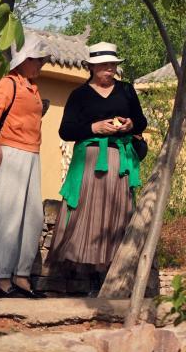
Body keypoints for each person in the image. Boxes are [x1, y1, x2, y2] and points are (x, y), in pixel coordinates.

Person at [47, 42, 147, 295]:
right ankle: (90, 274)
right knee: (88, 212)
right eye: (104, 65)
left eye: (113, 65)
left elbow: (141, 122)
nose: (110, 70)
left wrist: (129, 124)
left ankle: (113, 272)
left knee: (118, 212)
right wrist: (94, 128)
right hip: (90, 162)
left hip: (119, 160)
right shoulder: (79, 95)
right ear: (91, 67)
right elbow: (66, 130)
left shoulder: (126, 90)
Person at [0, 30, 50, 299]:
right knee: (10, 217)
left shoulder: (31, 87)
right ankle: (2, 280)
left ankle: (21, 277)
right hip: (11, 154)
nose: (41, 65)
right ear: (23, 60)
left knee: (32, 218)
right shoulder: (8, 84)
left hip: (32, 155)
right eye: (37, 60)